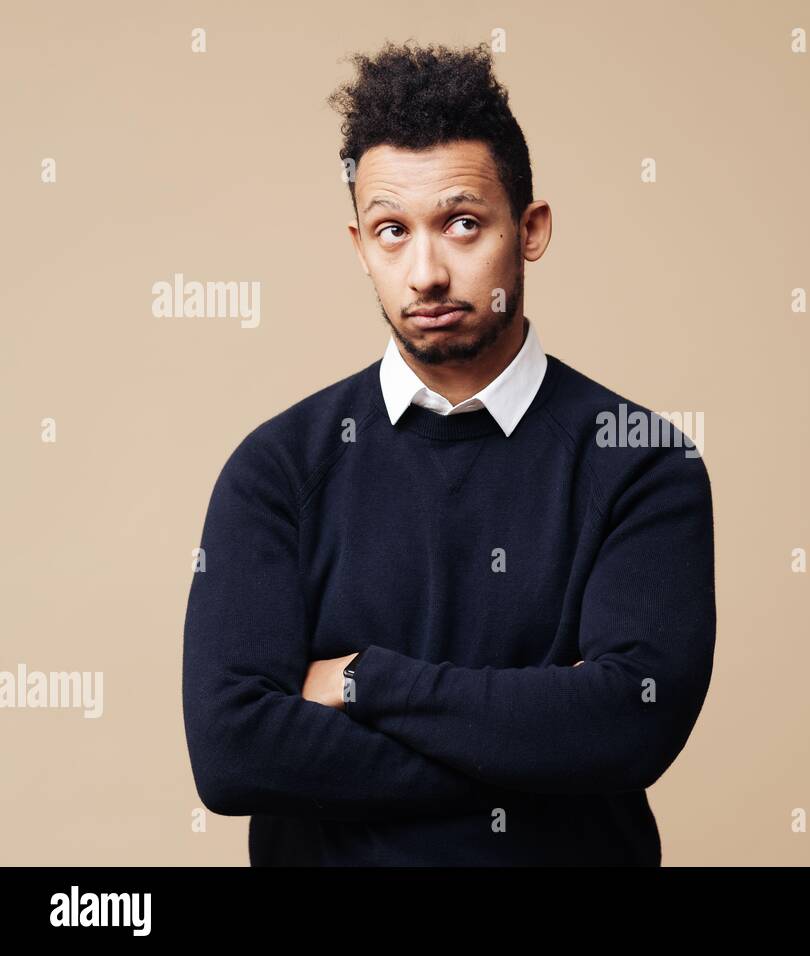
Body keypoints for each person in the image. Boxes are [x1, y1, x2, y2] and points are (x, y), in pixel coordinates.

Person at [180, 39, 715, 866]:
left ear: (529, 230)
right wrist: (540, 755)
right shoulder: (278, 468)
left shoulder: (641, 461)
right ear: (360, 245)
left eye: (462, 223)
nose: (426, 271)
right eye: (392, 231)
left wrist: (364, 682)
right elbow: (231, 753)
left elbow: (627, 724)